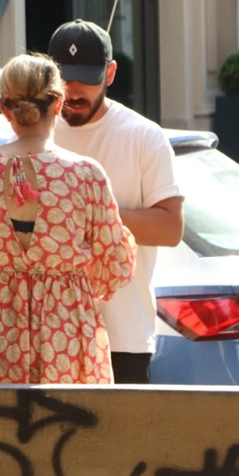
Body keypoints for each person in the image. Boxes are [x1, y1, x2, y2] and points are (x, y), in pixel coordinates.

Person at [0, 53, 137, 384]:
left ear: (4, 108)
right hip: (64, 323)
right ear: (58, 103)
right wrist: (70, 280)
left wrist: (9, 272)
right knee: (64, 426)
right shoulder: (85, 173)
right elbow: (116, 264)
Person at [49, 19, 184, 384]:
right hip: (48, 333)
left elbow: (171, 228)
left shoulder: (144, 137)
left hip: (122, 336)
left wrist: (96, 213)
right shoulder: (35, 134)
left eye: (87, 78)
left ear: (110, 74)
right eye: (64, 78)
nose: (74, 91)